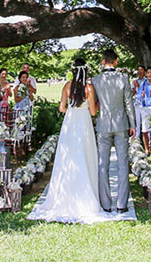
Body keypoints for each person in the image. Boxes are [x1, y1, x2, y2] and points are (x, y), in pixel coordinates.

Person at [27, 59, 112, 223]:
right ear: (85, 71)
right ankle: (86, 195)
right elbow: (93, 112)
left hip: (70, 122)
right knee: (84, 155)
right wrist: (98, 103)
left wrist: (71, 111)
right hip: (84, 122)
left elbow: (61, 108)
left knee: (68, 156)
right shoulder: (89, 88)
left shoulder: (67, 86)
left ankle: (63, 193)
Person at [92, 48, 136, 213]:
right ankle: (121, 204)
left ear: (103, 61)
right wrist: (133, 124)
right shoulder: (123, 78)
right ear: (116, 61)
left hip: (103, 124)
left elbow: (94, 105)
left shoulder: (95, 80)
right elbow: (128, 104)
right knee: (123, 164)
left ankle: (105, 203)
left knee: (103, 164)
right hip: (121, 124)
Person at [131, 65, 147, 138]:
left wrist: (138, 86)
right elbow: (132, 94)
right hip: (137, 103)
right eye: (138, 70)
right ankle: (137, 137)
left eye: (141, 70)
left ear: (144, 72)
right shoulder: (134, 81)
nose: (139, 71)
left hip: (145, 104)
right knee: (137, 121)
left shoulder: (147, 81)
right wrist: (135, 87)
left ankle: (147, 138)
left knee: (145, 121)